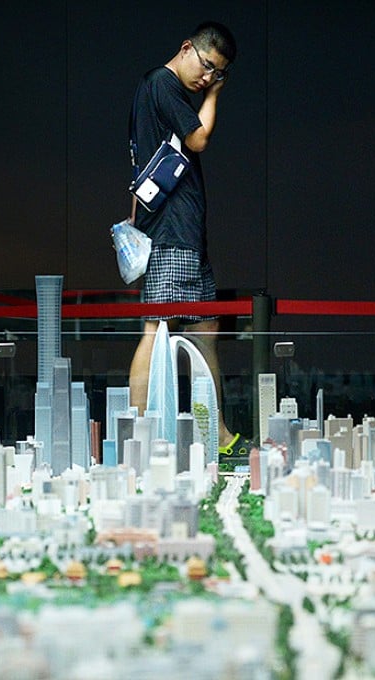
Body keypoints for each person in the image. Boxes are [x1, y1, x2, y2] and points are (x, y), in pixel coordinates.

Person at [127, 21, 253, 457]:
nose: (206, 77)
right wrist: (214, 96)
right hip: (172, 230)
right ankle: (137, 437)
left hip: (185, 232)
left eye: (216, 74)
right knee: (156, 328)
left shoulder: (161, 89)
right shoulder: (163, 84)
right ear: (186, 48)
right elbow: (198, 139)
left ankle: (215, 435)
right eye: (206, 66)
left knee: (205, 331)